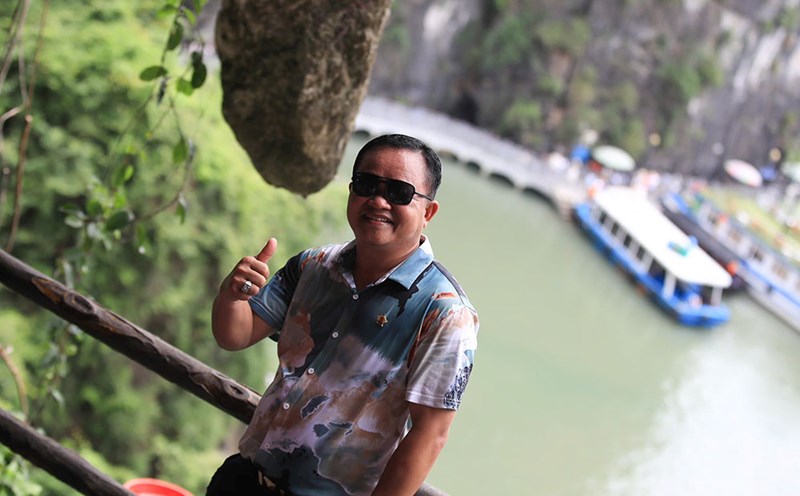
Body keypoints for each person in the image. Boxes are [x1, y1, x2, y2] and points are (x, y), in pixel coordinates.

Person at [206, 134, 479, 496]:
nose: (378, 200)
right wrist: (232, 295)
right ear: (352, 192)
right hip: (244, 479)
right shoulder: (313, 266)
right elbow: (235, 334)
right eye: (367, 185)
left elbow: (430, 435)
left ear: (428, 212)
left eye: (398, 192)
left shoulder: (444, 313)